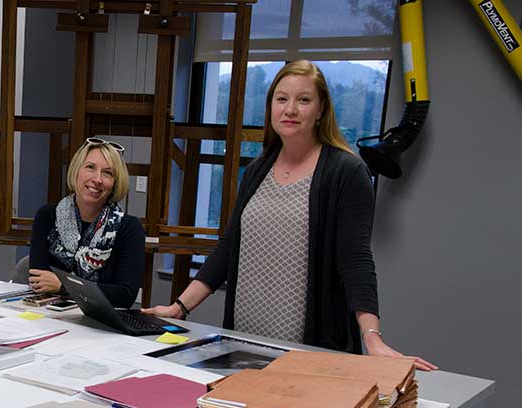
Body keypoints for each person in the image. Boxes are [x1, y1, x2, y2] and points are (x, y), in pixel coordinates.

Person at [144, 60, 436, 372]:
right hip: (243, 343)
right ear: (270, 106)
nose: (291, 109)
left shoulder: (347, 172)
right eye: (281, 99)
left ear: (321, 109)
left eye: (304, 100)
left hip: (308, 352)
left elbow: (356, 261)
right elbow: (229, 249)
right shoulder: (257, 170)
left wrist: (372, 338)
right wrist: (180, 307)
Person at [27, 137, 145, 308]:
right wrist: (88, 289)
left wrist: (64, 285)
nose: (97, 179)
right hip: (50, 317)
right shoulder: (47, 216)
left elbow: (125, 295)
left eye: (108, 173)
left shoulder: (129, 228)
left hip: (101, 324)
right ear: (76, 171)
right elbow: (38, 281)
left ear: (115, 183)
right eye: (90, 167)